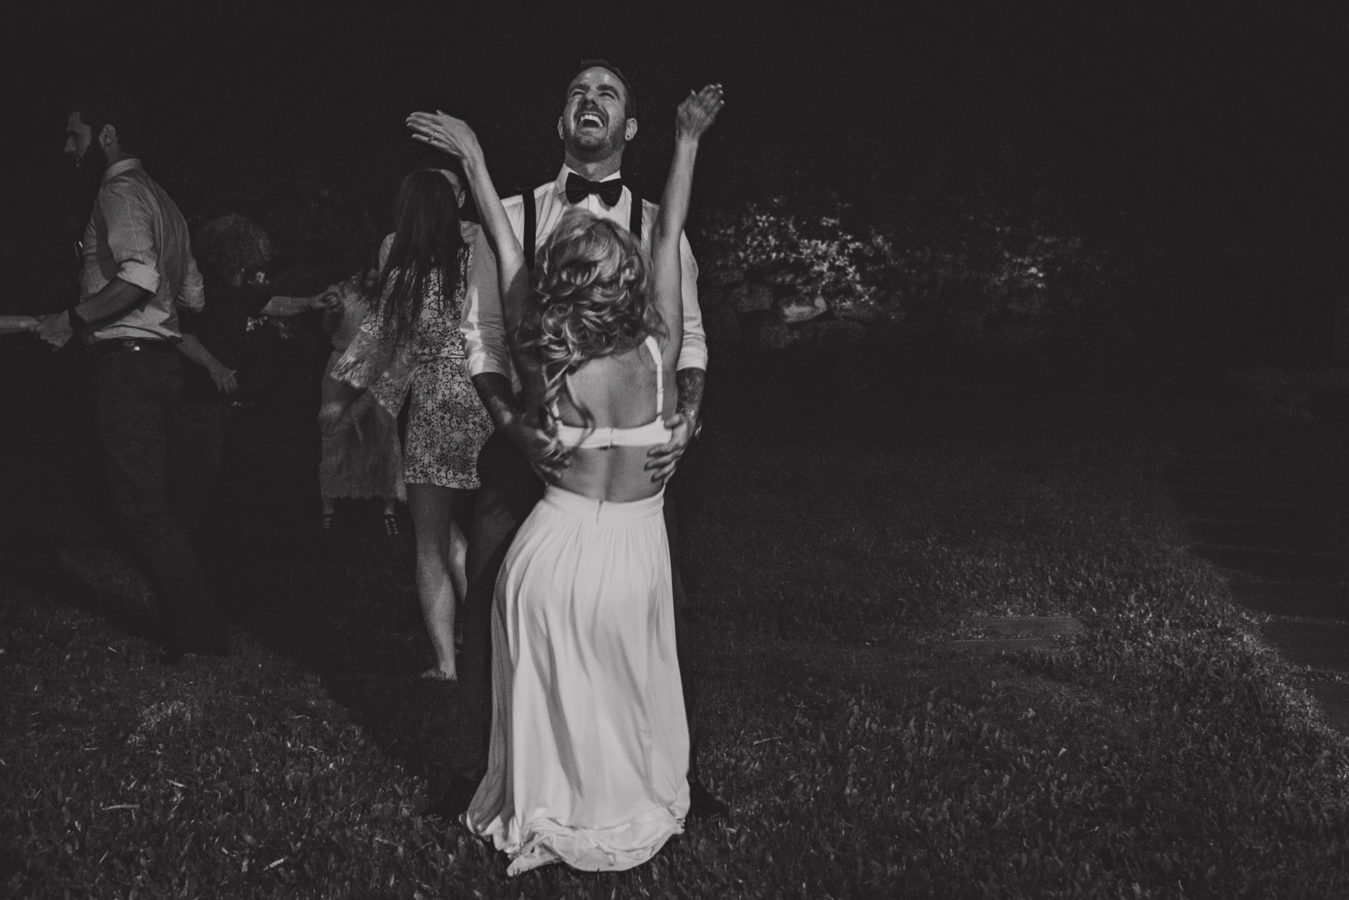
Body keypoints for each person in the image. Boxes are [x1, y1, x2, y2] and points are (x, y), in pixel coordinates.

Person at [408, 58, 725, 819]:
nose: (591, 100)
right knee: (492, 605)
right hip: (531, 450)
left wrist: (687, 415)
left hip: (627, 462)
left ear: (629, 127)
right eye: (577, 92)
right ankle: (488, 766)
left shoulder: (653, 226)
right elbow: (481, 341)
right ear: (561, 121)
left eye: (607, 92)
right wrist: (513, 426)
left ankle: (664, 771)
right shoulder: (513, 214)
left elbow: (691, 342)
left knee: (656, 621)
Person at [28, 90, 227, 664]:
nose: (69, 147)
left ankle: (199, 636)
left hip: (130, 364)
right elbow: (193, 293)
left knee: (139, 509)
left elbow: (139, 277)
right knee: (150, 504)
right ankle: (187, 625)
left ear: (107, 135)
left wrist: (75, 318)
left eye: (75, 135)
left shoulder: (117, 192)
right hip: (160, 365)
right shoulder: (165, 202)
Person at [324, 164, 492, 681]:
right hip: (488, 397)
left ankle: (447, 662)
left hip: (438, 403)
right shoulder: (478, 261)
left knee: (430, 540)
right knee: (477, 532)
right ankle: (495, 647)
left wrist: (347, 403)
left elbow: (376, 352)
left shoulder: (406, 275)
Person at [174, 213, 344, 538]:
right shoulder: (201, 284)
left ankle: (201, 537)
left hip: (218, 395)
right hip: (192, 392)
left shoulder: (234, 289)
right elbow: (181, 334)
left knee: (210, 470)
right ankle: (182, 537)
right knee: (193, 470)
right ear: (235, 252)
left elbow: (272, 304)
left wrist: (312, 302)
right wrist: (215, 366)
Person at [310, 265, 406, 534]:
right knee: (334, 434)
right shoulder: (340, 292)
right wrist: (333, 313)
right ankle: (329, 506)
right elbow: (328, 331)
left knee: (383, 433)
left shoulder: (390, 297)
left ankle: (388, 507)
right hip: (340, 365)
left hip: (378, 366)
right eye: (368, 277)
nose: (372, 281)